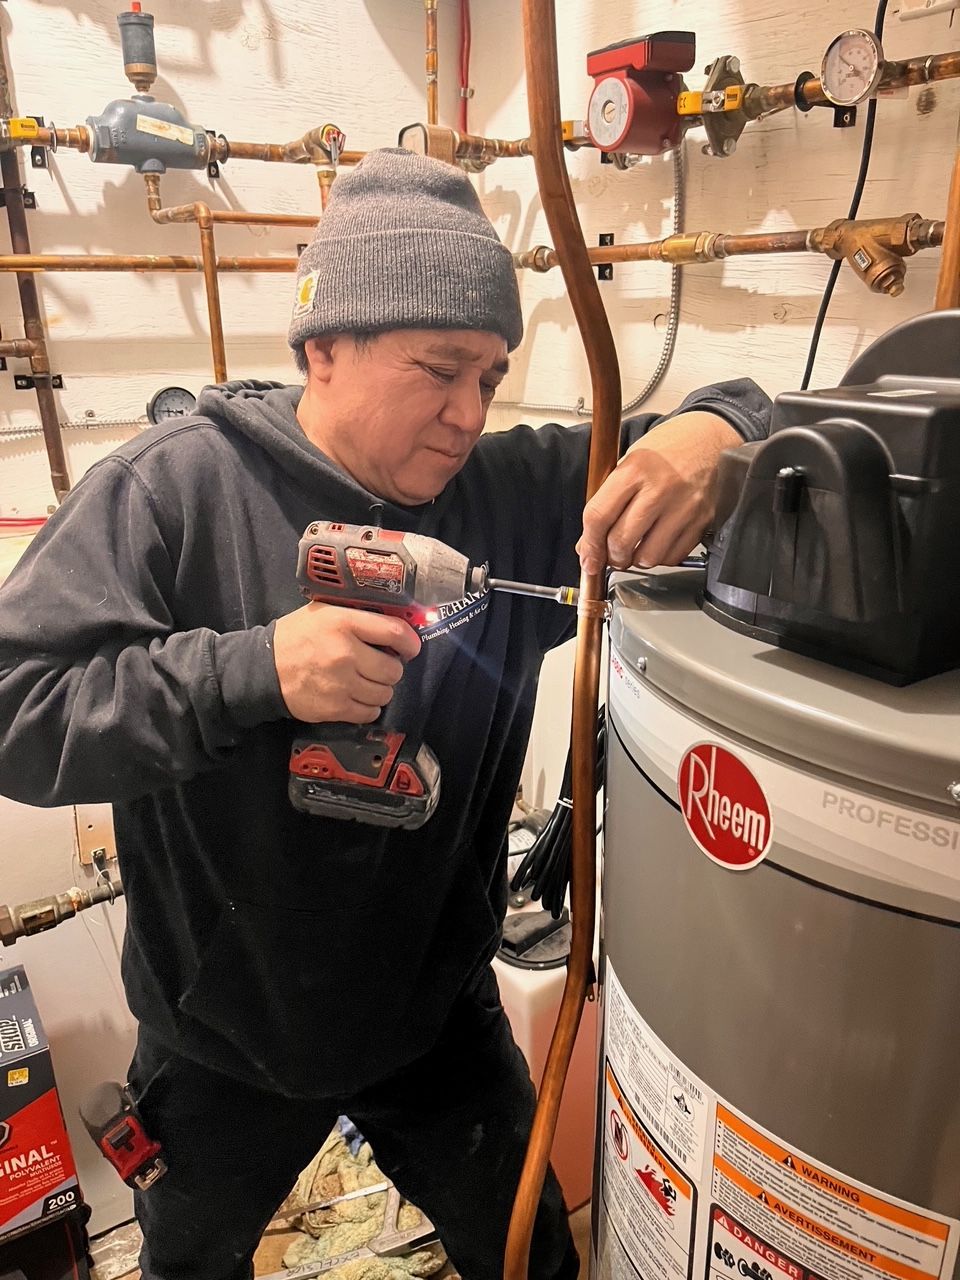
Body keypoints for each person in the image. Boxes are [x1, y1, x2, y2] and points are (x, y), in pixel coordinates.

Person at [0, 148, 770, 1280]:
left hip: (431, 1019)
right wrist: (254, 670)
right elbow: (18, 705)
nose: (468, 413)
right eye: (439, 368)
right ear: (324, 346)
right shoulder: (173, 493)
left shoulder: (510, 492)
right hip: (221, 1040)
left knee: (528, 1253)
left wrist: (717, 432)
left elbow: (755, 409)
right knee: (188, 1266)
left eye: (492, 379)